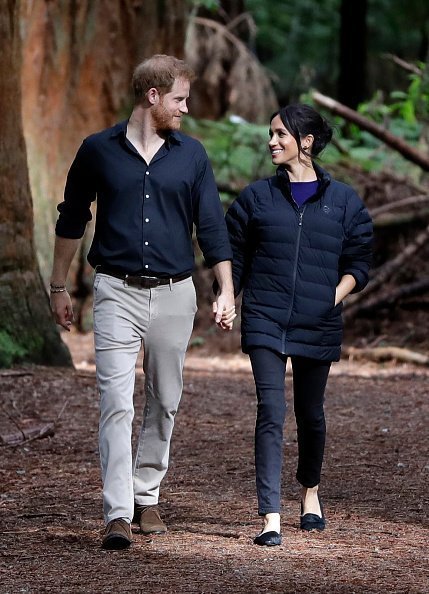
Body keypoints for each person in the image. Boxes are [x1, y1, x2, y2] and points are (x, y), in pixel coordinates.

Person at [50, 54, 236, 550]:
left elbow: (212, 226)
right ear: (152, 96)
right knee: (114, 402)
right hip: (115, 290)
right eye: (180, 99)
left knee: (164, 401)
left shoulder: (191, 156)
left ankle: (145, 494)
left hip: (176, 293)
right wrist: (58, 285)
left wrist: (226, 288)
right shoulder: (97, 151)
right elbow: (71, 218)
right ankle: (116, 512)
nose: (186, 109)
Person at [222, 104, 372, 546]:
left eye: (280, 135)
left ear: (306, 142)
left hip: (318, 321)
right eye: (271, 134)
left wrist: (331, 297)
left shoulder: (344, 201)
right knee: (270, 411)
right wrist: (228, 296)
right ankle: (270, 515)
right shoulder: (256, 198)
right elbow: (233, 255)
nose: (272, 142)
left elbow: (359, 262)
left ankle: (310, 493)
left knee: (311, 415)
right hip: (265, 317)